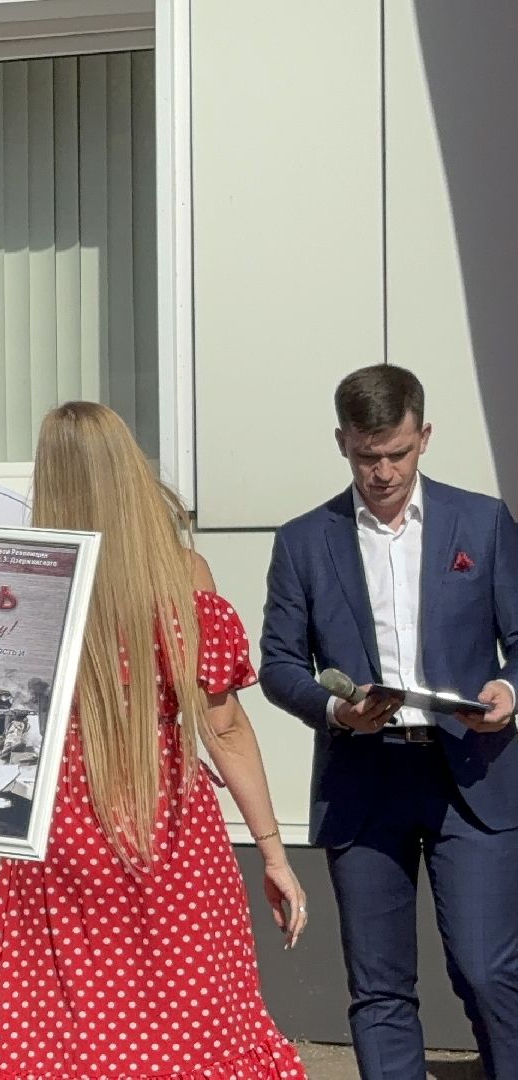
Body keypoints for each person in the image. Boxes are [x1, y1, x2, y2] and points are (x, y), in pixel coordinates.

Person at [0, 400, 307, 1080]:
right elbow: (223, 727)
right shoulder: (183, 577)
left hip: (61, 835)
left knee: (54, 1033)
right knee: (188, 1030)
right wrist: (275, 853)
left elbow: (1, 732)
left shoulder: (28, 583)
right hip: (172, 839)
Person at [258, 363, 518, 1079]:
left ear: (424, 437)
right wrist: (336, 709)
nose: (381, 472)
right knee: (379, 987)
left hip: (473, 772)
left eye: (396, 453)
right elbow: (278, 665)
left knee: (488, 968)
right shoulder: (306, 540)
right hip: (364, 777)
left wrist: (507, 688)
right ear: (341, 442)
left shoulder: (483, 522)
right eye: (366, 455)